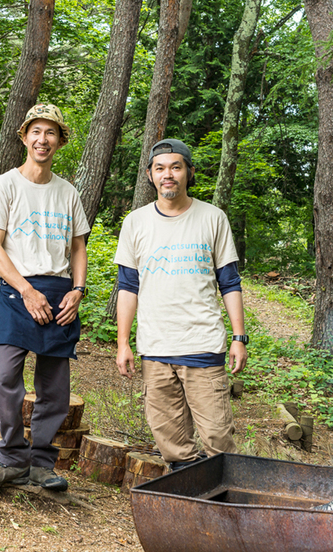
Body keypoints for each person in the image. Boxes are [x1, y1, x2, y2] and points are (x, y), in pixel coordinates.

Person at [0, 104, 90, 491]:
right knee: (3, 377)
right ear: (24, 137)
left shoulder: (68, 192)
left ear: (60, 141)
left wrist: (77, 290)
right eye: (36, 132)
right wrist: (25, 290)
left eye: (51, 133)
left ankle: (41, 464)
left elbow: (77, 249)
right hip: (15, 291)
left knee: (55, 386)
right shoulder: (5, 185)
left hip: (59, 293)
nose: (43, 139)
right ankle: (11, 459)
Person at [114, 139, 248, 469]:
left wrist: (239, 337)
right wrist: (122, 343)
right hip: (155, 348)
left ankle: (228, 506)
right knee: (172, 445)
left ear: (188, 172)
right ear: (150, 175)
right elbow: (128, 287)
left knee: (218, 439)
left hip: (202, 345)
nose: (168, 175)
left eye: (175, 167)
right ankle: (192, 503)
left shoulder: (212, 218)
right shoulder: (135, 222)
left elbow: (229, 282)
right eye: (160, 168)